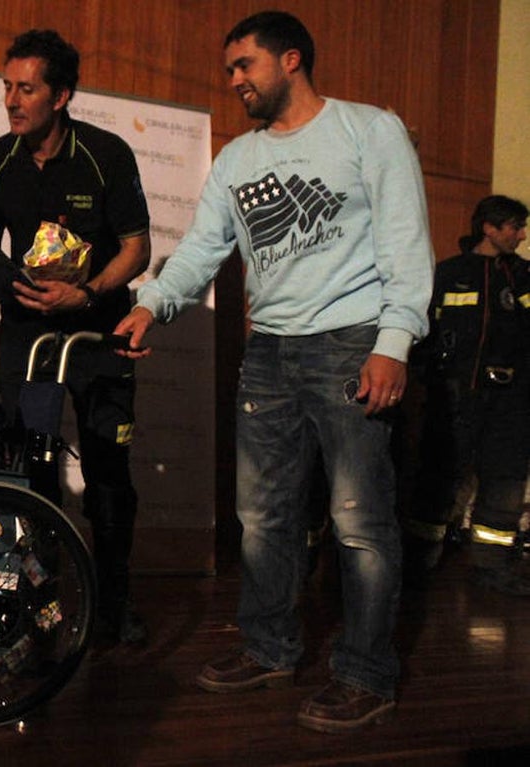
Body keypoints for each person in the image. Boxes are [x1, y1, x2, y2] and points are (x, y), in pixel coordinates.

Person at [115, 11, 434, 732]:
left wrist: (394, 341)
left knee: (358, 520)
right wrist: (155, 302)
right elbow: (201, 248)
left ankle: (366, 672)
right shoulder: (236, 160)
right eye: (229, 70)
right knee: (262, 517)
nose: (234, 83)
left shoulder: (368, 130)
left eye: (245, 67)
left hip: (353, 342)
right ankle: (268, 646)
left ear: (291, 60)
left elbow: (406, 243)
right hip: (270, 353)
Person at [0, 29, 151, 643]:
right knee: (30, 472)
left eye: (26, 89)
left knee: (106, 475)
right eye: (6, 87)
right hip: (27, 339)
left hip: (97, 334)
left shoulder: (106, 153)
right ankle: (37, 607)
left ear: (62, 95)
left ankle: (113, 602)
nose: (12, 101)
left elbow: (136, 248)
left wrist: (90, 292)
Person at [403, 195, 530, 593]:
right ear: (489, 228)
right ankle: (417, 559)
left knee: (504, 481)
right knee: (439, 474)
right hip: (455, 396)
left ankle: (492, 565)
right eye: (514, 226)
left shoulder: (525, 277)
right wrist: (428, 377)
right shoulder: (448, 274)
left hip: (511, 401)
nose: (522, 235)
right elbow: (422, 331)